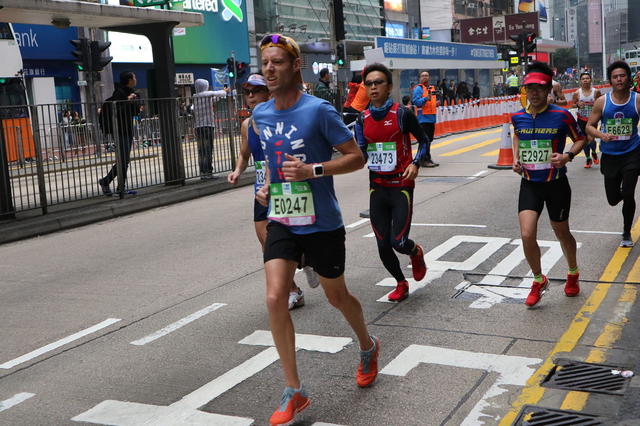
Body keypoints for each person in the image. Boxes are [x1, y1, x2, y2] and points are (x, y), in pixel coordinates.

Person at [253, 34, 379, 426]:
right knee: (275, 297)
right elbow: (274, 162)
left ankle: (367, 345)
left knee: (336, 296)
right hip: (282, 217)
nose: (270, 69)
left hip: (321, 221)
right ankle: (294, 389)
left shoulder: (318, 110)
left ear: (295, 66)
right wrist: (267, 186)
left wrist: (313, 170)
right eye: (265, 63)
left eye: (277, 62)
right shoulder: (260, 115)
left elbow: (356, 157)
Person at [227, 73, 307, 310]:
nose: (251, 96)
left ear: (269, 93)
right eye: (247, 92)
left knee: (294, 241)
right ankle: (293, 290)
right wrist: (237, 170)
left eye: (256, 91)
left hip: (284, 188)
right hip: (261, 193)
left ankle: (307, 260)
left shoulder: (280, 120)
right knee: (267, 245)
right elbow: (244, 154)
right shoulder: (247, 125)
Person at [511, 62, 585, 308]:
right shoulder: (518, 117)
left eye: (539, 88)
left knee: (561, 231)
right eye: (530, 88)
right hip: (530, 184)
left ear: (548, 90)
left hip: (556, 184)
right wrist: (515, 158)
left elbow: (580, 138)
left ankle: (573, 272)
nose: (534, 93)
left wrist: (567, 156)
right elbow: (517, 135)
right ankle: (538, 279)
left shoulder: (561, 115)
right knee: (526, 234)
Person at [355, 63, 429, 302]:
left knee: (399, 241)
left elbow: (424, 140)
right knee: (382, 244)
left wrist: (415, 163)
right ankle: (400, 282)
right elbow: (361, 151)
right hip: (377, 187)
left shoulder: (401, 114)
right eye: (369, 83)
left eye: (378, 82)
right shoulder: (362, 119)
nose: (373, 87)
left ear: (389, 87)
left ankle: (415, 252)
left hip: (401, 185)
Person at [586, 61, 640, 248]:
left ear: (628, 78)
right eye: (615, 76)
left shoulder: (637, 99)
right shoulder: (602, 102)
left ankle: (626, 231)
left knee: (628, 192)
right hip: (610, 155)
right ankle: (623, 196)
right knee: (612, 199)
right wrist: (602, 135)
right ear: (610, 80)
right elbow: (589, 126)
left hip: (632, 153)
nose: (619, 79)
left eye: (622, 75)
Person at [99, 71, 138, 196]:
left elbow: (135, 112)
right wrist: (128, 100)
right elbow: (116, 111)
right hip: (120, 131)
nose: (136, 79)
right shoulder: (119, 93)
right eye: (134, 77)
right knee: (123, 160)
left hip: (128, 129)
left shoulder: (130, 92)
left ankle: (119, 187)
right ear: (129, 80)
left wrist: (134, 101)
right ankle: (108, 182)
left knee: (124, 161)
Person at [192, 79, 227, 180]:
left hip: (198, 128)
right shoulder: (206, 94)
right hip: (207, 126)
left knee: (201, 151)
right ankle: (208, 172)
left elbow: (214, 99)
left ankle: (203, 173)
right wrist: (225, 91)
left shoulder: (196, 97)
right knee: (208, 150)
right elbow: (220, 93)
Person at [572, 72, 602, 168]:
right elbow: (573, 104)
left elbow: (601, 103)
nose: (585, 80)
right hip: (581, 119)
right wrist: (577, 105)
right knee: (584, 141)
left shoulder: (596, 92)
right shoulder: (577, 93)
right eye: (583, 79)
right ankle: (588, 159)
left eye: (587, 78)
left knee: (591, 139)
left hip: (592, 119)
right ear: (580, 81)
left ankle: (593, 152)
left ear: (590, 80)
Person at [411, 71, 439, 167]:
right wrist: (426, 98)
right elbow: (416, 102)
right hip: (423, 119)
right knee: (424, 140)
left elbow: (431, 102)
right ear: (420, 78)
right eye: (423, 76)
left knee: (429, 140)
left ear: (429, 77)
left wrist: (436, 103)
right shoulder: (418, 89)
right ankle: (423, 160)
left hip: (431, 118)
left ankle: (427, 158)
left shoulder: (431, 88)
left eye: (426, 75)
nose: (425, 77)